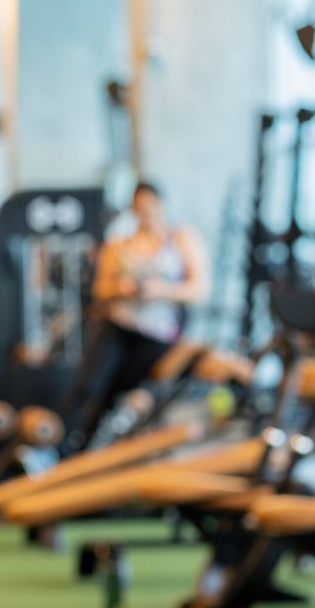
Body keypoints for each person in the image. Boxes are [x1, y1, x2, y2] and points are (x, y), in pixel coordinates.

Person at [60, 180, 209, 452]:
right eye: (139, 207)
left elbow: (200, 288)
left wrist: (161, 290)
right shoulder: (120, 244)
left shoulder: (181, 238)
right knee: (92, 388)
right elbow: (101, 289)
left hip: (159, 334)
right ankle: (68, 450)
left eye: (150, 206)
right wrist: (123, 288)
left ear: (161, 205)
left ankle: (123, 451)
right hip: (120, 326)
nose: (146, 212)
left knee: (139, 398)